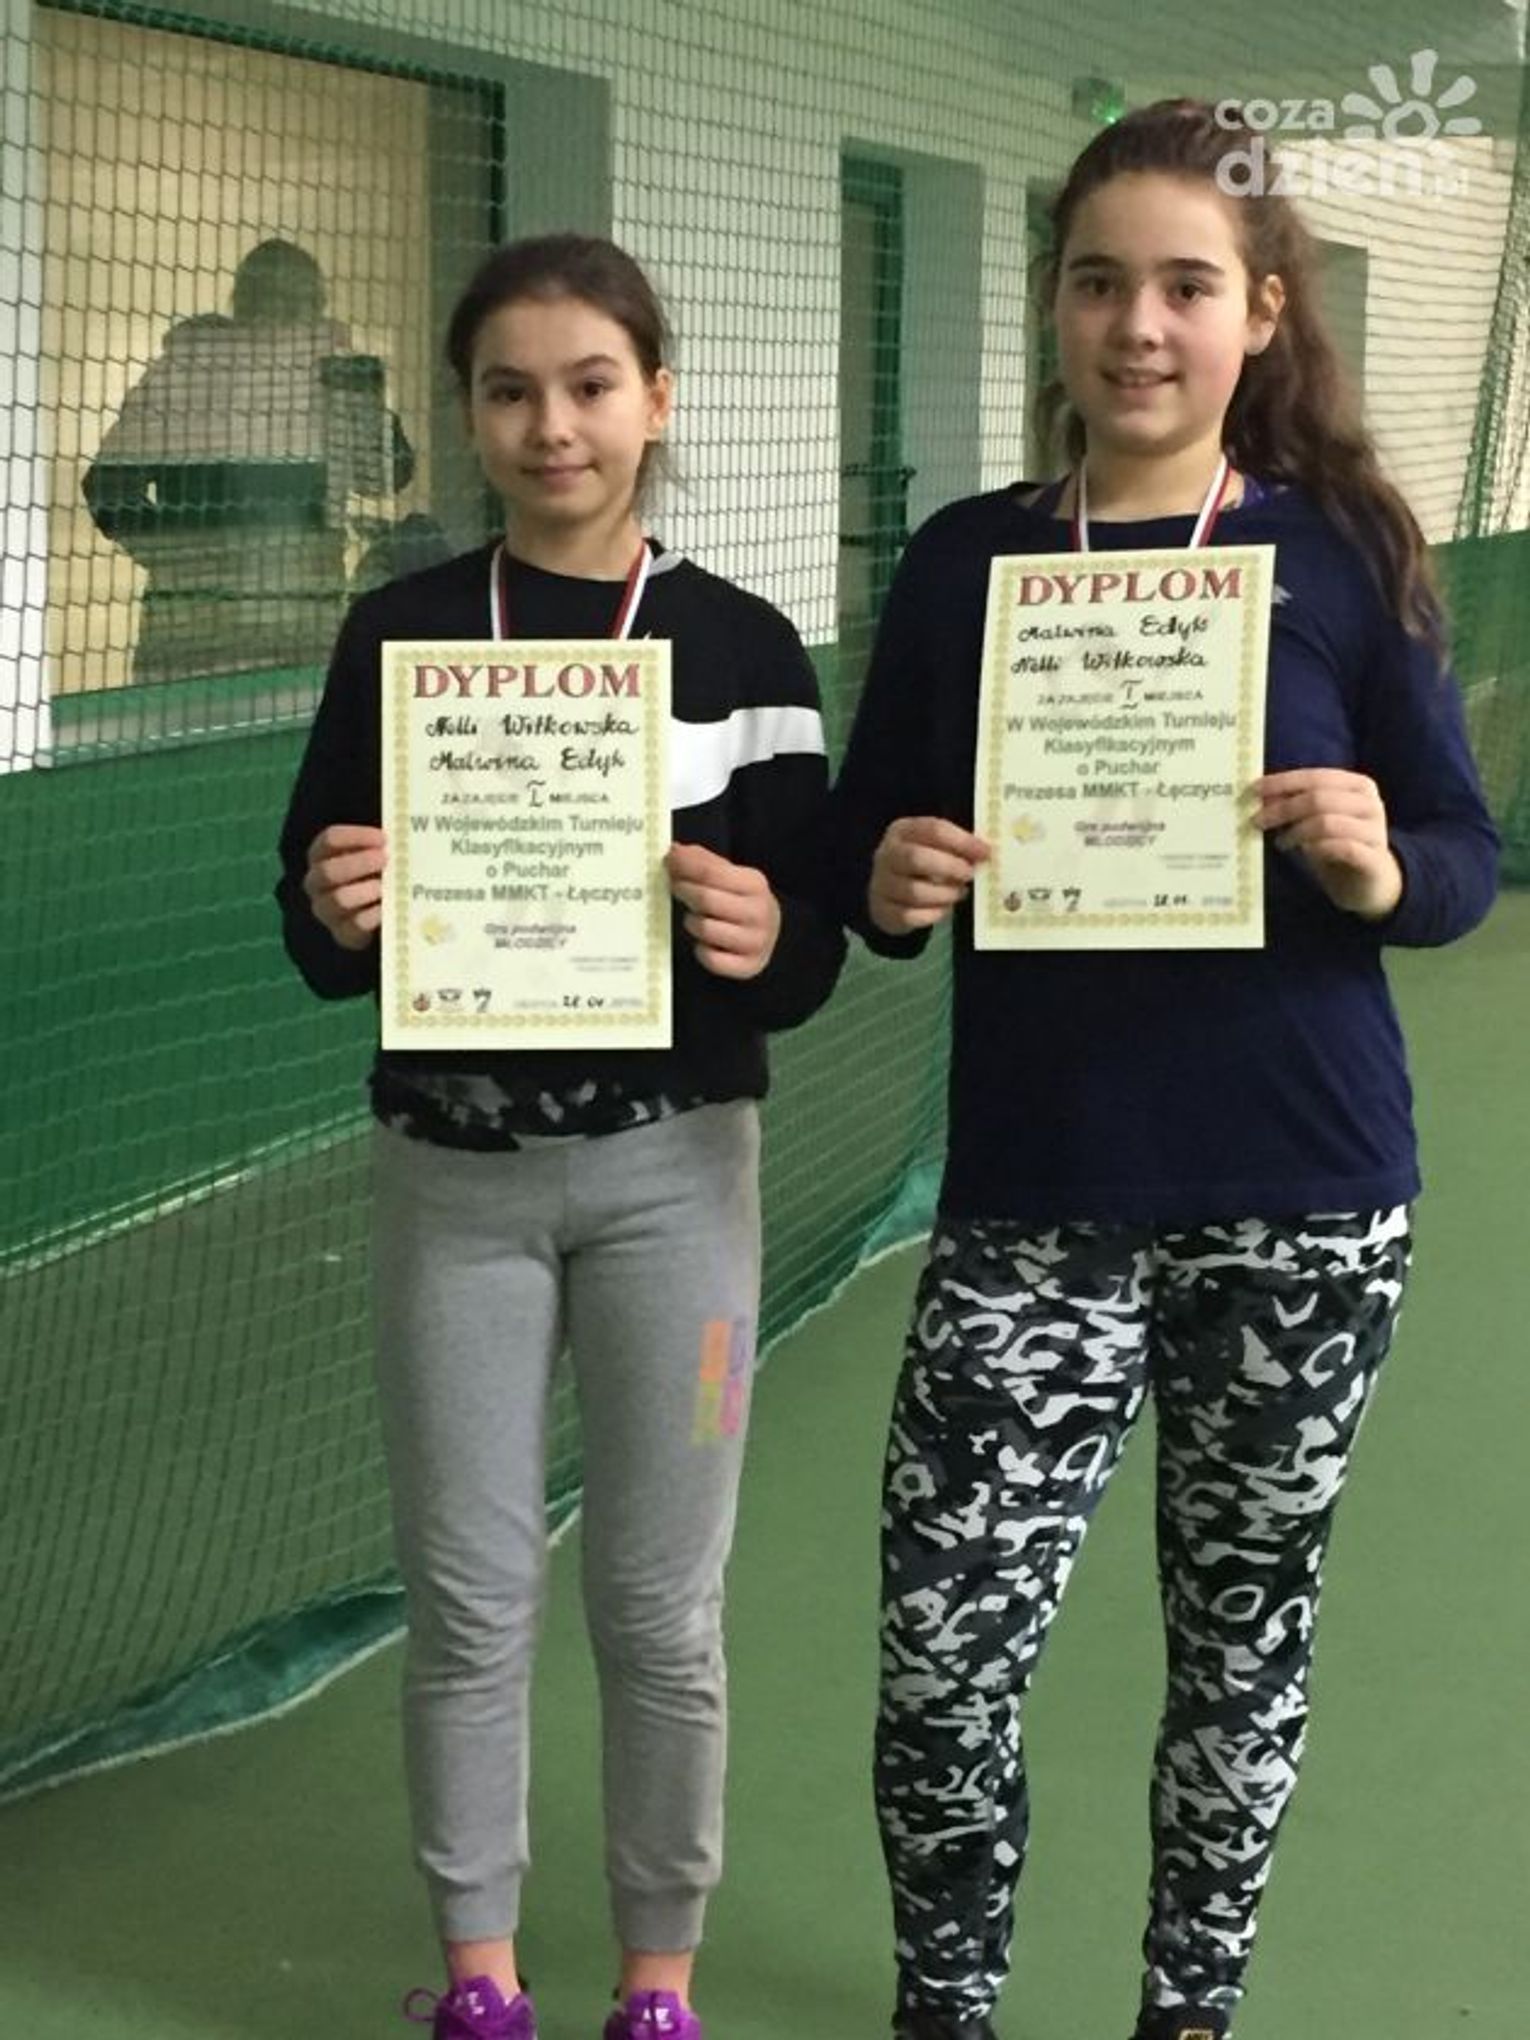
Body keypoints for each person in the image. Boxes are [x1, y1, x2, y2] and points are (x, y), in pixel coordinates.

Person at [823, 100, 1498, 2040]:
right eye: (1100, 281)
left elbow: (1457, 852)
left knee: (1239, 1641)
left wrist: (1378, 864)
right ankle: (946, 2002)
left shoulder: (1341, 554)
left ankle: (1187, 2004)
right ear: (1053, 302)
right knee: (945, 1659)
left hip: (1303, 1198)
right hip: (1036, 1200)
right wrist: (885, 876)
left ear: (1263, 311)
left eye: (1187, 285)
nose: (1139, 325)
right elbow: (869, 840)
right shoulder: (968, 563)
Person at [274, 234, 844, 2040]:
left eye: (591, 385)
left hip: (685, 1196)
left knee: (662, 1608)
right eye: (509, 391)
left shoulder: (745, 647)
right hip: (454, 1194)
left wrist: (767, 931)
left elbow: (811, 948)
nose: (552, 426)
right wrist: (334, 904)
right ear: (467, 415)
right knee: (468, 1600)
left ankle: (657, 1981)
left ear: (655, 399)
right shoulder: (400, 636)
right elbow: (315, 928)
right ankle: (481, 1978)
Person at [86, 238, 414, 683]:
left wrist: (364, 401)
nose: (288, 312)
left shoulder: (330, 377)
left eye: (301, 300)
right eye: (276, 298)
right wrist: (180, 558)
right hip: (215, 619)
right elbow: (108, 487)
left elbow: (387, 477)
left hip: (294, 615)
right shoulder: (187, 370)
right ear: (245, 303)